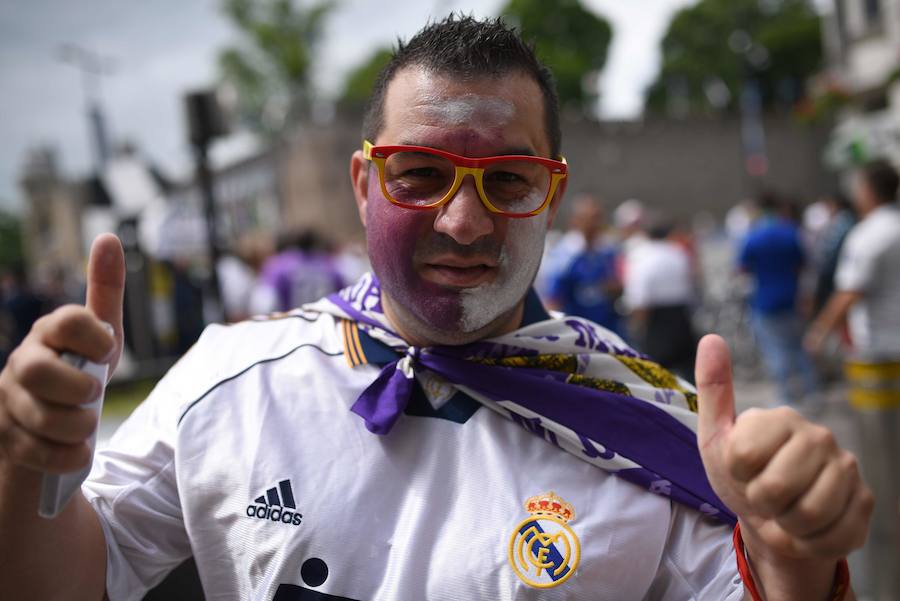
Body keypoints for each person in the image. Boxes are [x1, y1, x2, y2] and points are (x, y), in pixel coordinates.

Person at [0, 16, 872, 601]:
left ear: (553, 195)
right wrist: (24, 466)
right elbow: (72, 577)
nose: (464, 220)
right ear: (362, 183)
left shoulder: (656, 425)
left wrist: (795, 550)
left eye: (509, 180)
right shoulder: (228, 380)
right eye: (420, 173)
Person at [806, 159, 900, 600]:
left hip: (880, 360)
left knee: (882, 463)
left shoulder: (870, 234)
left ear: (867, 189)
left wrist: (820, 330)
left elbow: (849, 291)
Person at [738, 191, 821, 406]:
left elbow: (742, 267)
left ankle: (788, 399)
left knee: (776, 350)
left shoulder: (753, 235)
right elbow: (804, 264)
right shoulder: (791, 231)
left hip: (765, 299)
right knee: (799, 347)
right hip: (792, 297)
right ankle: (812, 394)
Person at [623, 215, 698, 382]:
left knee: (656, 377)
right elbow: (691, 284)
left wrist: (636, 327)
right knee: (688, 372)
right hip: (681, 317)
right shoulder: (678, 253)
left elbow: (639, 298)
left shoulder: (642, 257)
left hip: (656, 321)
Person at [546, 195, 623, 335]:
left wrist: (612, 287)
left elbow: (616, 285)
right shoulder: (565, 254)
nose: (595, 223)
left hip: (607, 327)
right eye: (590, 218)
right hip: (576, 331)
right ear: (576, 220)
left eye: (598, 217)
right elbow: (553, 298)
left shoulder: (607, 250)